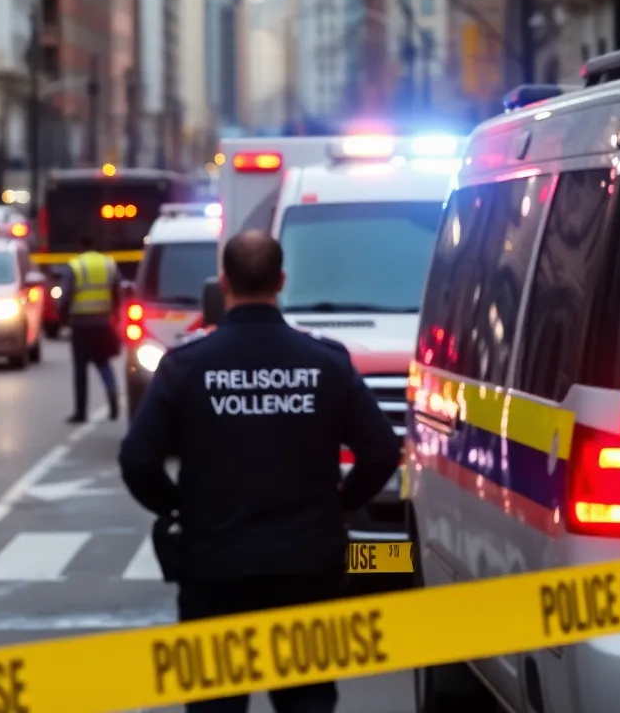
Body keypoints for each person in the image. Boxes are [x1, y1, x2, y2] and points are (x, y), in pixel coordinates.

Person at [117, 230, 399, 713]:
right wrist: (342, 505)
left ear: (222, 283)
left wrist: (181, 507)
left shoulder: (186, 366)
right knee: (306, 700)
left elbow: (138, 461)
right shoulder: (325, 363)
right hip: (308, 564)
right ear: (281, 280)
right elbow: (380, 452)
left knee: (216, 703)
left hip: (215, 565)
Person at [57, 235, 121, 423]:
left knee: (80, 369)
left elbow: (66, 296)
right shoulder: (108, 264)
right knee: (103, 362)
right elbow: (117, 290)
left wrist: (63, 318)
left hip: (81, 325)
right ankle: (112, 394)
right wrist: (114, 314)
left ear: (80, 246)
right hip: (103, 323)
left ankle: (81, 411)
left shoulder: (75, 266)